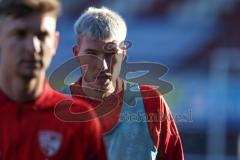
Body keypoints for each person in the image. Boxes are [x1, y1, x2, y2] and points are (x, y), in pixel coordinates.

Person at [68, 7, 184, 160]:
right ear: (77, 54)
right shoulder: (53, 107)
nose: (102, 66)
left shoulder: (151, 102)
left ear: (123, 53)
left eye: (110, 54)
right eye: (91, 54)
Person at [0, 0, 106, 159]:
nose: (33, 47)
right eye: (20, 34)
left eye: (42, 36)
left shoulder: (79, 121)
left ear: (55, 43)